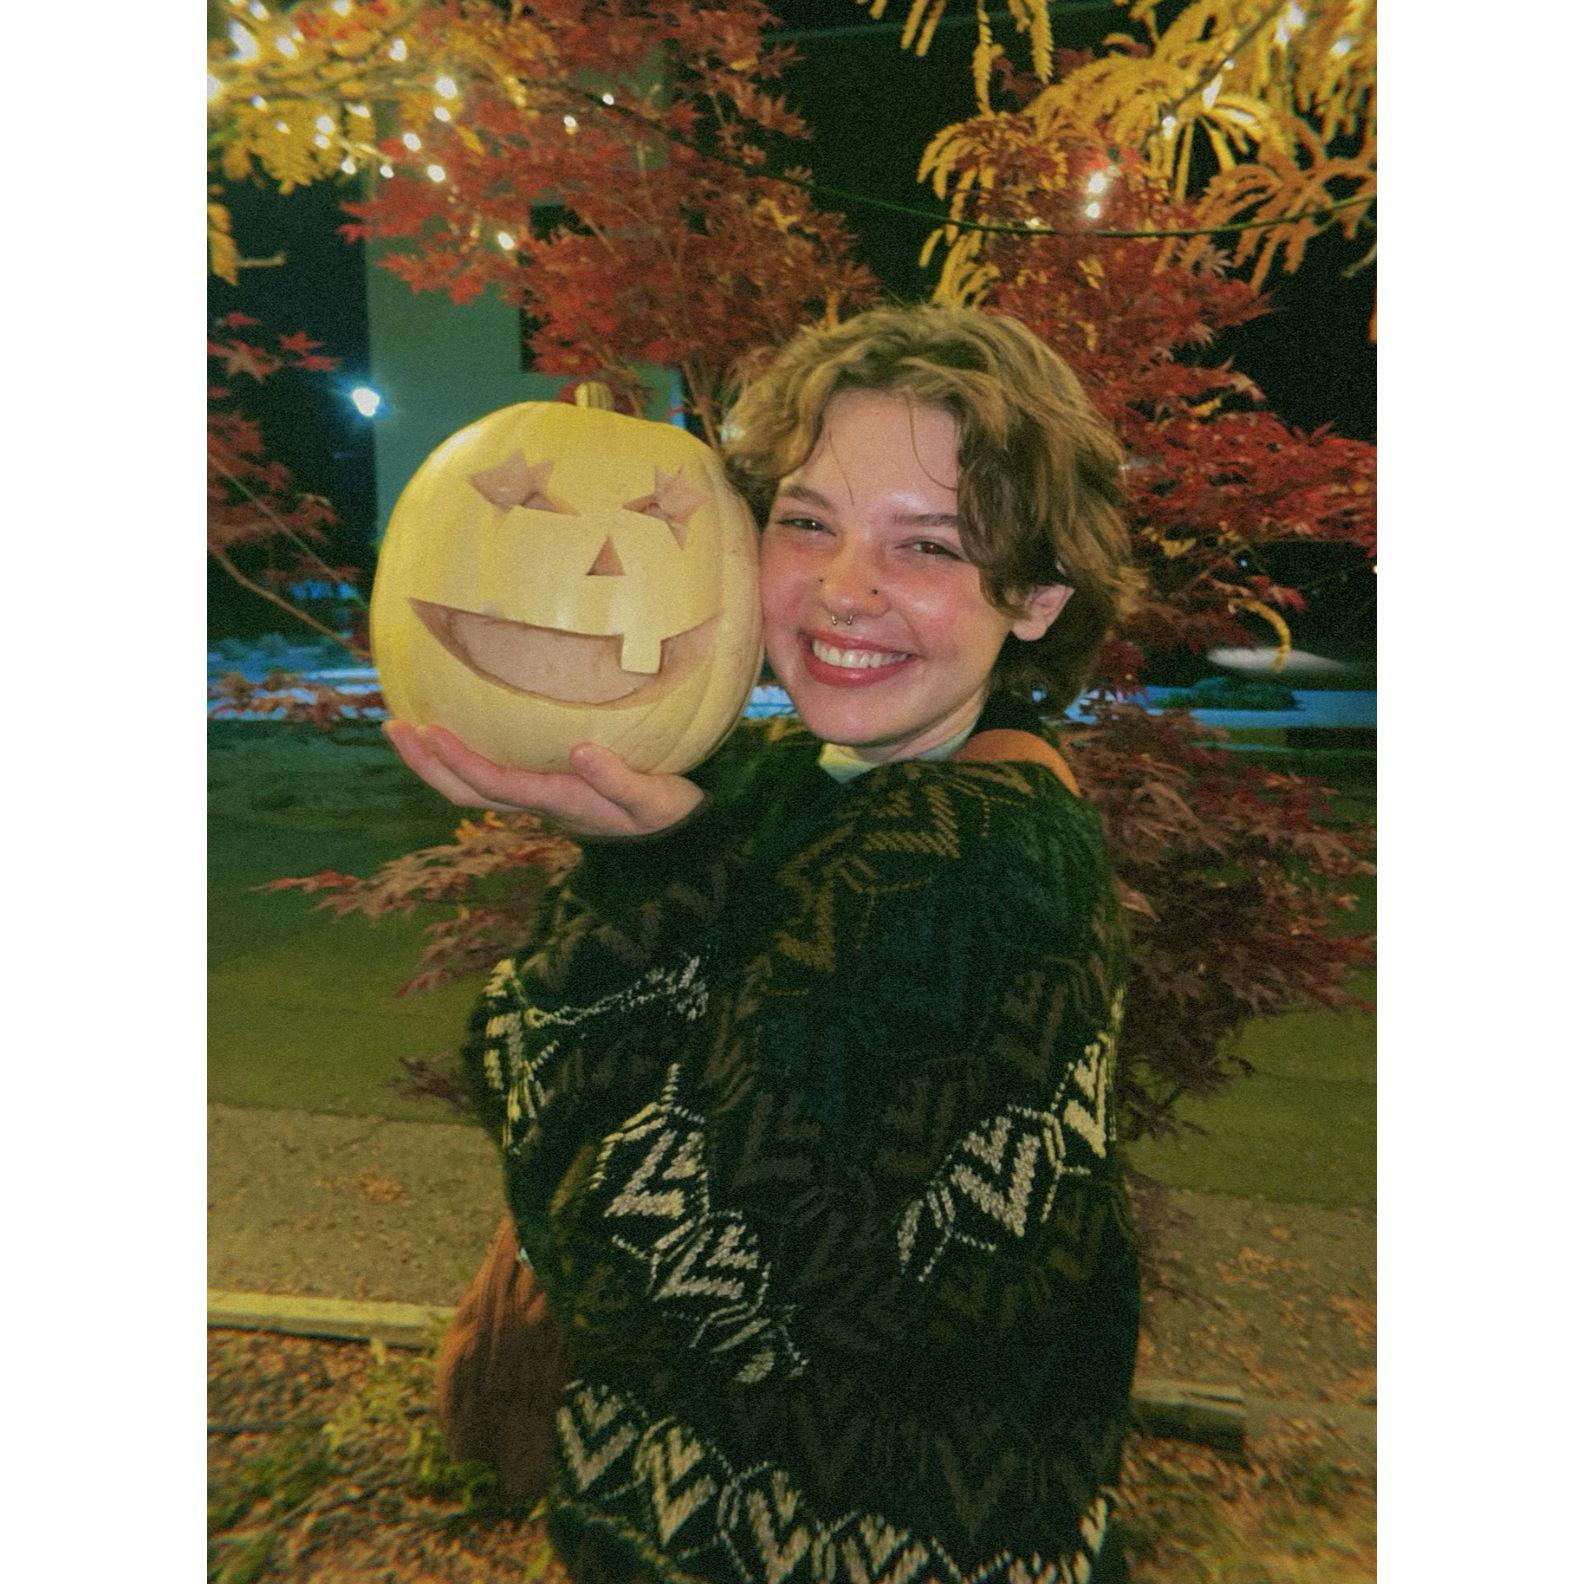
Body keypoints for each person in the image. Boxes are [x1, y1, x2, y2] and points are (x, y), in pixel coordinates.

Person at [385, 304, 1142, 1584]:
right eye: (808, 521)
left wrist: (650, 881)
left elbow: (649, 1271)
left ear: (1037, 597)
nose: (848, 585)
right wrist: (649, 851)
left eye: (934, 544)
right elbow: (514, 1067)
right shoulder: (793, 785)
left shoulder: (984, 865)